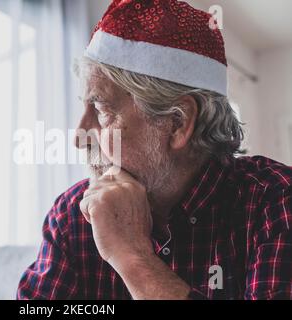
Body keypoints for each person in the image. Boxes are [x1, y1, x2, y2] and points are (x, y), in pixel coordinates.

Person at [17, 0, 292, 300]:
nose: (78, 137)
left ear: (177, 123)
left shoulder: (276, 204)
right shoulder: (72, 216)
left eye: (100, 108)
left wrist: (134, 259)